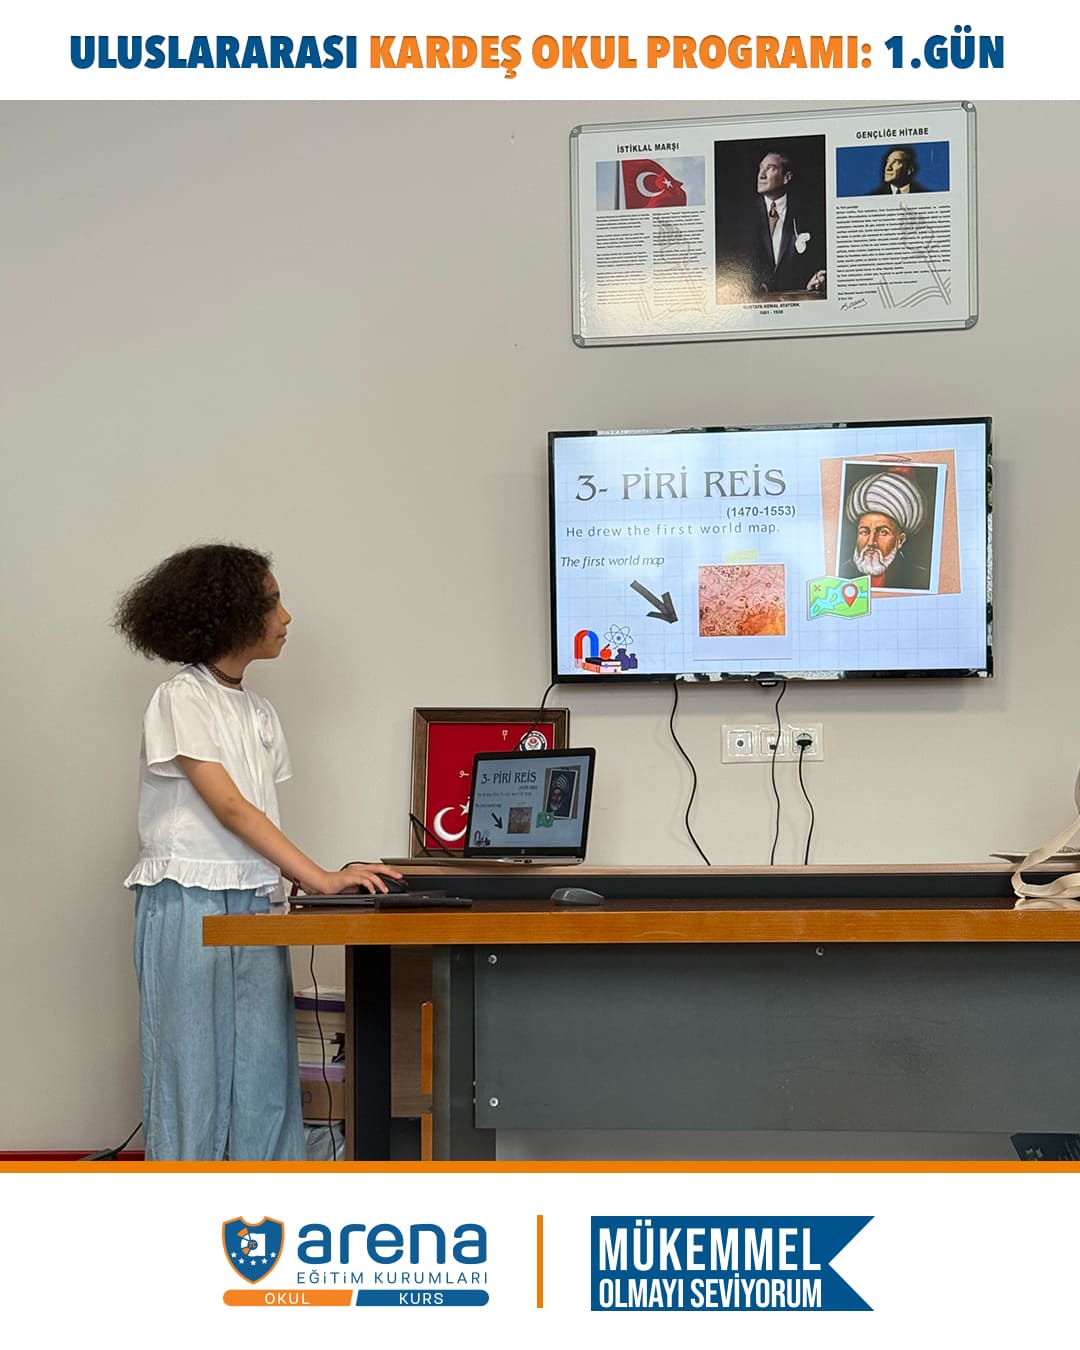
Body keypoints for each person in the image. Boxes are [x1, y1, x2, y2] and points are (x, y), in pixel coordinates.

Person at [114, 543, 403, 1161]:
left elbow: (255, 817)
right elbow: (229, 807)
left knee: (264, 1072)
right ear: (229, 614)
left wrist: (312, 877)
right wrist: (320, 877)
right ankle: (182, 1208)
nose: (287, 616)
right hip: (188, 902)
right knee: (189, 1073)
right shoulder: (180, 698)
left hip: (253, 901)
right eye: (272, 602)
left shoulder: (260, 712)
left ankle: (270, 1203)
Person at [722, 149, 827, 299]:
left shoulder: (808, 215)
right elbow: (731, 266)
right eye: (760, 168)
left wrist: (815, 280)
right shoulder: (741, 217)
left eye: (770, 168)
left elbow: (816, 264)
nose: (761, 175)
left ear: (787, 177)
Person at [839, 470, 932, 590]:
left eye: (883, 532)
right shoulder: (841, 574)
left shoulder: (919, 578)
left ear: (900, 540)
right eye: (865, 532)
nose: (871, 542)